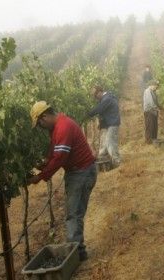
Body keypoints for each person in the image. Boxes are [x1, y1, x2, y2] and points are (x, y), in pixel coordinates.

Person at [27, 101, 97, 261]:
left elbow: (59, 158)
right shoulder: (58, 127)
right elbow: (54, 153)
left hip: (81, 173)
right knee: (74, 213)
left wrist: (40, 176)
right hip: (78, 172)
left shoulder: (63, 127)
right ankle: (77, 251)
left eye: (39, 124)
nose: (40, 127)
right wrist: (44, 163)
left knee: (73, 214)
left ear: (44, 117)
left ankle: (77, 255)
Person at [87, 86, 121, 167]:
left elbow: (100, 109)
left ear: (100, 92)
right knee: (104, 142)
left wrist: (88, 113)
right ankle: (103, 158)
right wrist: (101, 125)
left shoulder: (107, 98)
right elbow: (104, 112)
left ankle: (117, 161)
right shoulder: (104, 99)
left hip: (113, 123)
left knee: (110, 142)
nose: (95, 98)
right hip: (108, 124)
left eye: (96, 95)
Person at [143, 80, 161, 144]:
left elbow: (156, 101)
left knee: (154, 125)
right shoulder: (148, 91)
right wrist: (157, 108)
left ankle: (154, 138)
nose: (156, 87)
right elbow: (151, 102)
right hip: (149, 111)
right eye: (155, 86)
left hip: (153, 111)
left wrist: (160, 107)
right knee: (150, 125)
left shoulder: (153, 91)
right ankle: (149, 140)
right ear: (152, 85)